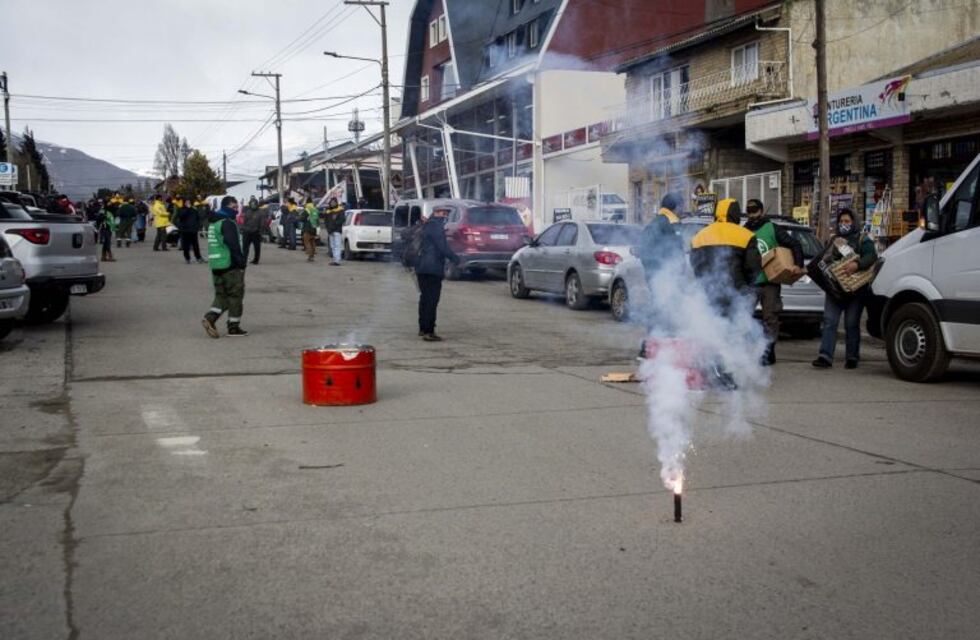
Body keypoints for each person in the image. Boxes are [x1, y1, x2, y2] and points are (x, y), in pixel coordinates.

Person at [812, 208, 878, 370]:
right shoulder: (835, 240)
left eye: (847, 221)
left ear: (854, 222)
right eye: (841, 221)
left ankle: (852, 357)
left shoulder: (863, 239)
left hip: (855, 290)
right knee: (829, 321)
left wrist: (857, 264)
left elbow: (872, 256)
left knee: (851, 323)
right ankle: (825, 356)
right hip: (835, 289)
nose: (843, 224)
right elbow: (823, 258)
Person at [743, 198, 804, 365]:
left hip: (769, 281)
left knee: (770, 318)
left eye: (755, 211)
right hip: (750, 283)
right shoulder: (744, 231)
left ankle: (768, 352)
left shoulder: (772, 228)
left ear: (761, 211)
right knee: (743, 316)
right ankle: (742, 351)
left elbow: (795, 244)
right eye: (749, 212)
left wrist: (798, 264)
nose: (752, 215)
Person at [689, 198, 761, 315]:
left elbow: (695, 265)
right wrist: (749, 290)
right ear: (736, 214)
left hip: (708, 293)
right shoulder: (746, 235)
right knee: (737, 324)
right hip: (737, 294)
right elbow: (753, 268)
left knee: (712, 323)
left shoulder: (699, 236)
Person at [203, 196, 248, 338]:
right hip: (230, 264)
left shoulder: (214, 222)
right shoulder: (227, 223)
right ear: (225, 207)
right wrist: (241, 262)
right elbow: (233, 245)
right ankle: (233, 327)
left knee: (221, 295)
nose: (236, 210)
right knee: (235, 295)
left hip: (216, 264)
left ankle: (210, 318)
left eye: (237, 208)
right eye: (233, 207)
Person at [414, 207, 460, 342]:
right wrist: (455, 258)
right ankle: (429, 331)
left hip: (421, 266)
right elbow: (442, 247)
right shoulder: (435, 227)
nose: (444, 216)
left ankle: (423, 328)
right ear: (434, 213)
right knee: (431, 300)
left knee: (424, 298)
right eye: (442, 213)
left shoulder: (426, 225)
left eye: (446, 214)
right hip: (432, 268)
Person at [176, 196, 204, 264]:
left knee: (195, 245)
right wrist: (187, 209)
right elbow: (181, 216)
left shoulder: (194, 209)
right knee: (186, 246)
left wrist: (198, 225)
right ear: (184, 202)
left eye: (189, 202)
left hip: (193, 230)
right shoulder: (181, 209)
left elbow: (198, 217)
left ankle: (198, 258)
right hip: (185, 230)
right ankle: (187, 258)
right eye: (186, 202)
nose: (188, 203)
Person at [241, 198, 267, 265]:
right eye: (252, 204)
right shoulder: (247, 211)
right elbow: (244, 221)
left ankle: (256, 260)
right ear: (250, 204)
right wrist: (243, 229)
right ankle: (244, 260)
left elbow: (262, 223)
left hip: (256, 232)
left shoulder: (261, 212)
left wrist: (261, 232)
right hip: (246, 232)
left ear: (257, 204)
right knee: (245, 247)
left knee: (257, 247)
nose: (253, 205)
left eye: (254, 204)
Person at [322, 197, 345, 265]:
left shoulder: (340, 210)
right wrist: (328, 228)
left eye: (334, 202)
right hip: (330, 231)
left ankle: (337, 260)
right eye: (331, 202)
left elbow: (342, 220)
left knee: (337, 245)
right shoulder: (328, 211)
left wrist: (335, 225)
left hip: (337, 230)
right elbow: (325, 220)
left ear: (336, 203)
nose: (332, 204)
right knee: (332, 246)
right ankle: (335, 259)